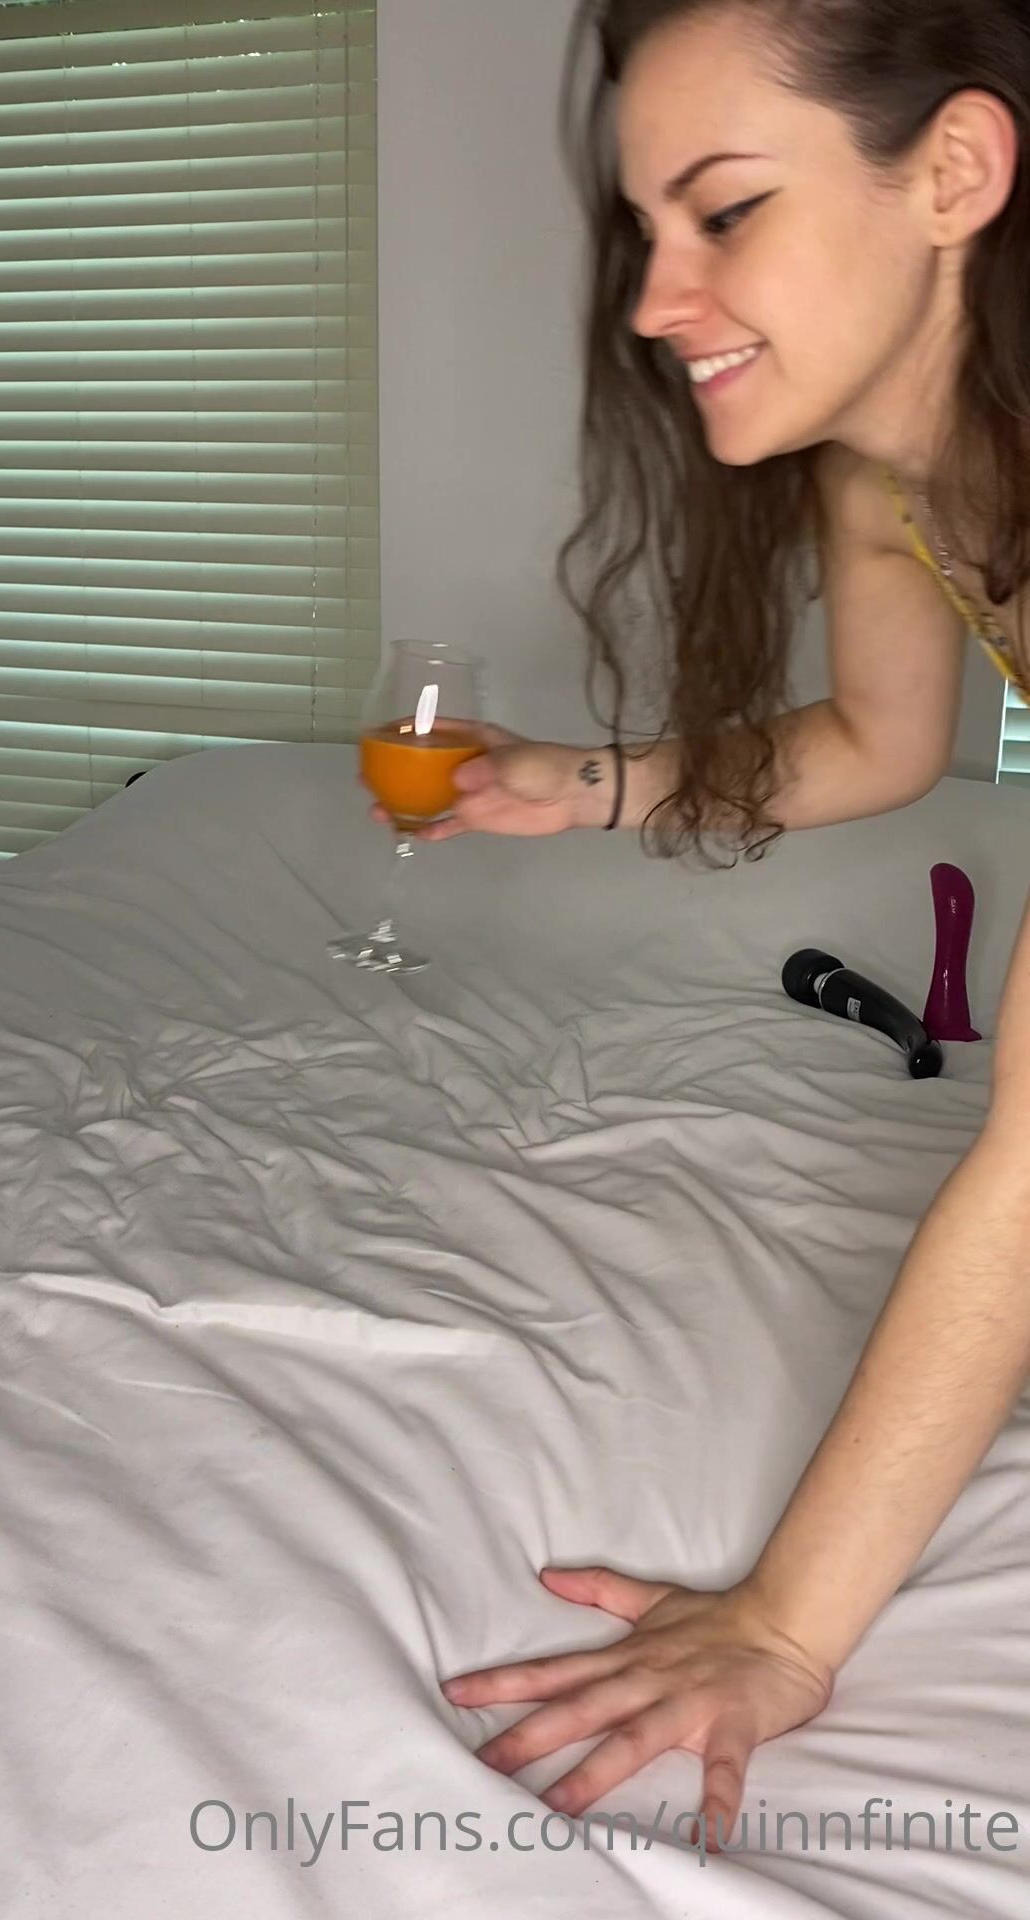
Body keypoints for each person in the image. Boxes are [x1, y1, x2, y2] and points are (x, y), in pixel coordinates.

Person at [374, 0, 1030, 1854]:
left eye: (726, 211)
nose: (661, 302)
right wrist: (575, 786)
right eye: (646, 230)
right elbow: (878, 744)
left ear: (956, 171)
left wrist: (783, 1631)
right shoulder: (891, 475)